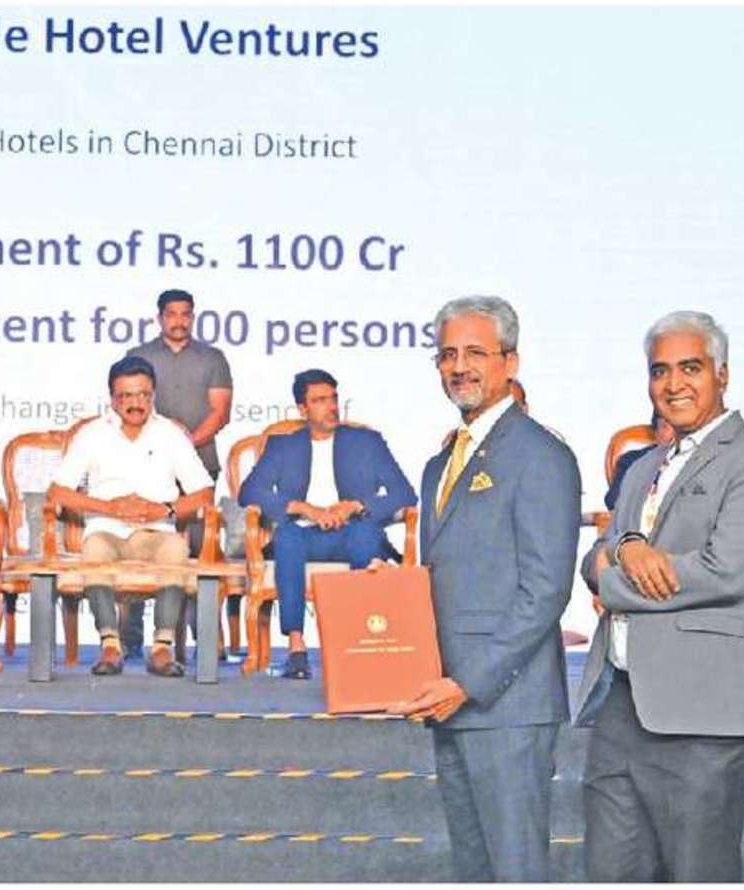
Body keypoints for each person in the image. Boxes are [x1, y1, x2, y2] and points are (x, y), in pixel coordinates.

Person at [575, 311, 744, 881]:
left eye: (690, 368)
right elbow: (597, 553)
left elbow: (724, 571)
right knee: (610, 873)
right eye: (660, 371)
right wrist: (624, 549)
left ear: (722, 374)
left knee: (698, 874)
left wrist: (612, 580)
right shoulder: (643, 467)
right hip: (622, 702)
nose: (674, 384)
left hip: (706, 712)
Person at [391, 295, 578, 882]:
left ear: (510, 362)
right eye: (447, 355)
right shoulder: (440, 463)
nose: (459, 367)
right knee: (474, 872)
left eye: (475, 353)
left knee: (515, 871)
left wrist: (468, 683)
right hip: (448, 699)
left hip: (505, 705)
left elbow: (545, 590)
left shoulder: (540, 455)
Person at [235, 369, 414, 679]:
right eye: (320, 401)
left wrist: (356, 506)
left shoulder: (367, 442)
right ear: (303, 409)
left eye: (333, 399)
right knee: (288, 536)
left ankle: (359, 643)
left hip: (353, 532)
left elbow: (404, 493)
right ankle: (296, 648)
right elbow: (249, 491)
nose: (331, 407)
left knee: (365, 536)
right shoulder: (283, 445)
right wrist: (303, 508)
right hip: (305, 534)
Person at [48, 355, 217, 678]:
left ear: (153, 395)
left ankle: (162, 648)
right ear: (113, 399)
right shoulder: (92, 434)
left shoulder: (170, 434)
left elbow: (203, 494)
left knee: (176, 548)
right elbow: (58, 493)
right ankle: (110, 645)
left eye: (143, 395)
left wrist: (164, 509)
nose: (135, 403)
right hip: (107, 530)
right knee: (94, 549)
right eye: (125, 396)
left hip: (156, 531)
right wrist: (109, 507)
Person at [122, 289, 233, 646]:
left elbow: (220, 412)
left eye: (186, 314)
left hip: (200, 465)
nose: (179, 321)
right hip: (147, 467)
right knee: (140, 545)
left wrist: (184, 445)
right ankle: (131, 638)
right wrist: (166, 441)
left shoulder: (212, 358)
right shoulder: (138, 356)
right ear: (160, 318)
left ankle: (206, 640)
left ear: (193, 317)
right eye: (172, 314)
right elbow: (128, 407)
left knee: (199, 550)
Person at [606, 414, 675, 511]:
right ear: (656, 432)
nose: (676, 434)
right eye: (666, 426)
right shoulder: (632, 460)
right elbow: (613, 500)